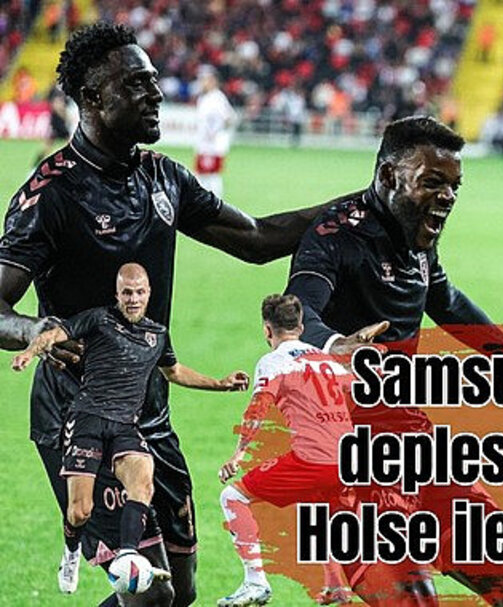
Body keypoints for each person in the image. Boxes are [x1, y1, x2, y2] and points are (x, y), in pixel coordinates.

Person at [0, 22, 348, 606]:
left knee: (179, 590)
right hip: (79, 416)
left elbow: (257, 239)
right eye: (137, 84)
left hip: (150, 410)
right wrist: (35, 327)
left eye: (154, 81)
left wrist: (362, 208)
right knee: (149, 596)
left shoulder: (162, 177)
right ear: (93, 97)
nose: (157, 94)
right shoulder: (52, 193)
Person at [286, 115, 503, 606]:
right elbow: (298, 311)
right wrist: (335, 345)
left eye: (453, 186)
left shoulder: (416, 238)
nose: (447, 197)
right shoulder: (335, 235)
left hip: (414, 444)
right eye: (432, 182)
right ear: (389, 176)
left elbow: (445, 299)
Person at [13, 264, 248, 602]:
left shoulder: (157, 334)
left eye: (139, 292)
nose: (133, 299)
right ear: (117, 294)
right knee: (80, 510)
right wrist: (29, 352)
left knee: (143, 480)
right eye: (127, 293)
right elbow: (55, 334)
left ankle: (127, 553)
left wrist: (220, 384)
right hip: (87, 420)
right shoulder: (98, 320)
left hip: (125, 425)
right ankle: (71, 551)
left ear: (149, 293)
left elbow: (175, 372)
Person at [217, 294, 365, 607]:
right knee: (318, 506)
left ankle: (255, 582)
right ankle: (336, 586)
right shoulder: (328, 360)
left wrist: (239, 454)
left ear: (267, 330)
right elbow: (357, 393)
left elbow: (258, 408)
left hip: (315, 460)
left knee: (233, 497)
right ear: (301, 327)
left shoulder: (273, 362)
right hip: (350, 462)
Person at [193, 65, 236, 198]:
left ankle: (216, 202)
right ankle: (204, 202)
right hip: (203, 143)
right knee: (201, 174)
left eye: (204, 79)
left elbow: (229, 118)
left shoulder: (217, 98)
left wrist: (215, 132)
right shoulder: (203, 98)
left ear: (212, 80)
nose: (202, 83)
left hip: (213, 145)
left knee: (211, 175)